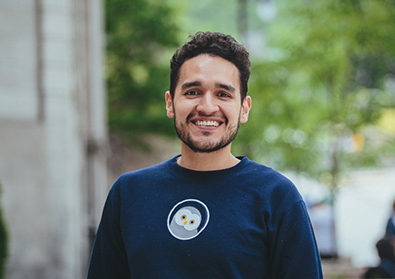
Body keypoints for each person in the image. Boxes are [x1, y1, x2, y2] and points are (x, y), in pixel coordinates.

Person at [87, 31, 323, 278]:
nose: (208, 107)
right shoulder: (128, 194)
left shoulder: (277, 198)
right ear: (170, 103)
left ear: (244, 108)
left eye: (223, 94)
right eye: (192, 92)